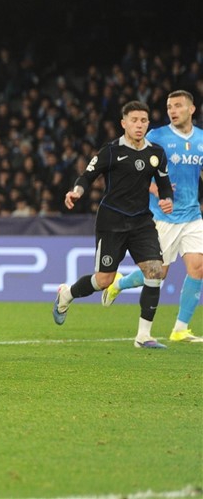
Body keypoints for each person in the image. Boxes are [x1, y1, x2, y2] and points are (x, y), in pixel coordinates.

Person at [54, 100, 174, 348]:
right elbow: (87, 176)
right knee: (104, 280)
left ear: (148, 124)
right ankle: (67, 294)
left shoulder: (156, 153)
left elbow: (164, 184)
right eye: (134, 120)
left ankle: (143, 336)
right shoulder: (110, 151)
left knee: (155, 272)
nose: (139, 125)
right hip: (112, 222)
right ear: (124, 123)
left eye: (143, 121)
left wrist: (166, 200)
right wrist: (76, 192)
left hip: (141, 222)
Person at [101, 91, 202, 343]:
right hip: (162, 217)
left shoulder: (201, 139)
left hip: (192, 214)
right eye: (169, 107)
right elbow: (134, 166)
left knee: (198, 267)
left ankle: (180, 329)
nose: (172, 110)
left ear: (191, 109)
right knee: (159, 273)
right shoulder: (156, 136)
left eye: (178, 106)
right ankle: (118, 284)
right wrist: (154, 187)